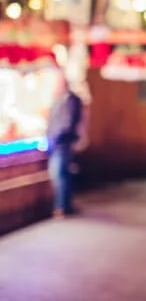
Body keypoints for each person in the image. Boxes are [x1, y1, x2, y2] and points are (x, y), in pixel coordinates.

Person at [46, 74, 83, 218]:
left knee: (59, 174)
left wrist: (56, 137)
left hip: (62, 142)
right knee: (63, 173)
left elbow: (67, 123)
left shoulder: (70, 99)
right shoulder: (59, 99)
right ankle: (64, 204)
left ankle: (61, 206)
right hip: (58, 141)